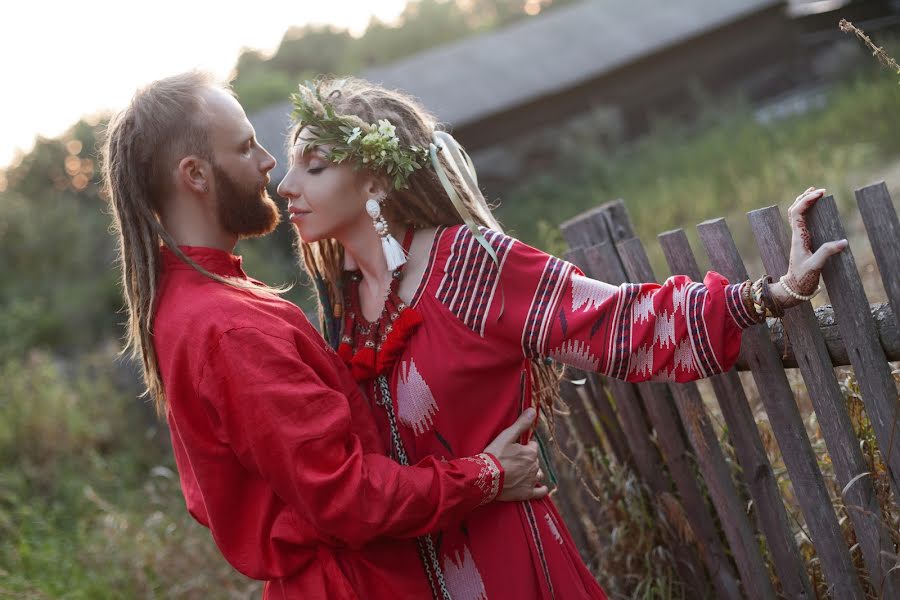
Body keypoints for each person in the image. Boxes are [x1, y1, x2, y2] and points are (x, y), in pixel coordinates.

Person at [277, 76, 848, 599]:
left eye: (314, 167)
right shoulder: (343, 310)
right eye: (290, 166)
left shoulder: (468, 266)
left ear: (375, 178)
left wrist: (774, 293)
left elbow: (617, 323)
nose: (286, 185)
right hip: (399, 579)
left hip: (508, 569)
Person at [101, 71, 550, 600]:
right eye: (246, 148)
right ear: (196, 175)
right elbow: (347, 498)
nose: (270, 164)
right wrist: (486, 475)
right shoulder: (227, 327)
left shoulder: (201, 303)